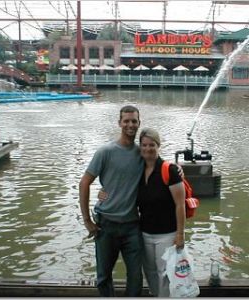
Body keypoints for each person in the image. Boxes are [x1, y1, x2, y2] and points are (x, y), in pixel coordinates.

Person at [79, 105, 144, 297]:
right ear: (119, 123)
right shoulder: (105, 151)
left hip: (132, 225)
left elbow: (161, 167)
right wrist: (87, 221)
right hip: (106, 225)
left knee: (136, 277)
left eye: (134, 121)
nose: (130, 125)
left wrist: (178, 171)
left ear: (139, 123)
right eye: (126, 121)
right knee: (103, 276)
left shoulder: (143, 153)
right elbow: (84, 183)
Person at [137, 128, 186, 297]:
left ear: (158, 146)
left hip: (167, 233)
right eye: (144, 145)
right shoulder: (136, 170)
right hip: (144, 232)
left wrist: (180, 234)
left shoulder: (170, 170)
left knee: (164, 274)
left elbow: (180, 205)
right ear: (140, 146)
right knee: (149, 272)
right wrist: (104, 192)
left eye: (152, 145)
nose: (148, 149)